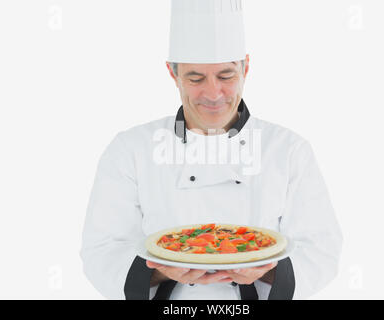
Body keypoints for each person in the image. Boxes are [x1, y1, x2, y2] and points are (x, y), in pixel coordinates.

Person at [80, 0, 343, 300]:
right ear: (172, 73)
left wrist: (265, 267)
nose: (213, 93)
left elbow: (322, 250)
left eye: (226, 76)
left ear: (246, 67)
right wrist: (162, 269)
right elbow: (102, 250)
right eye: (195, 78)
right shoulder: (130, 150)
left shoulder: (289, 150)